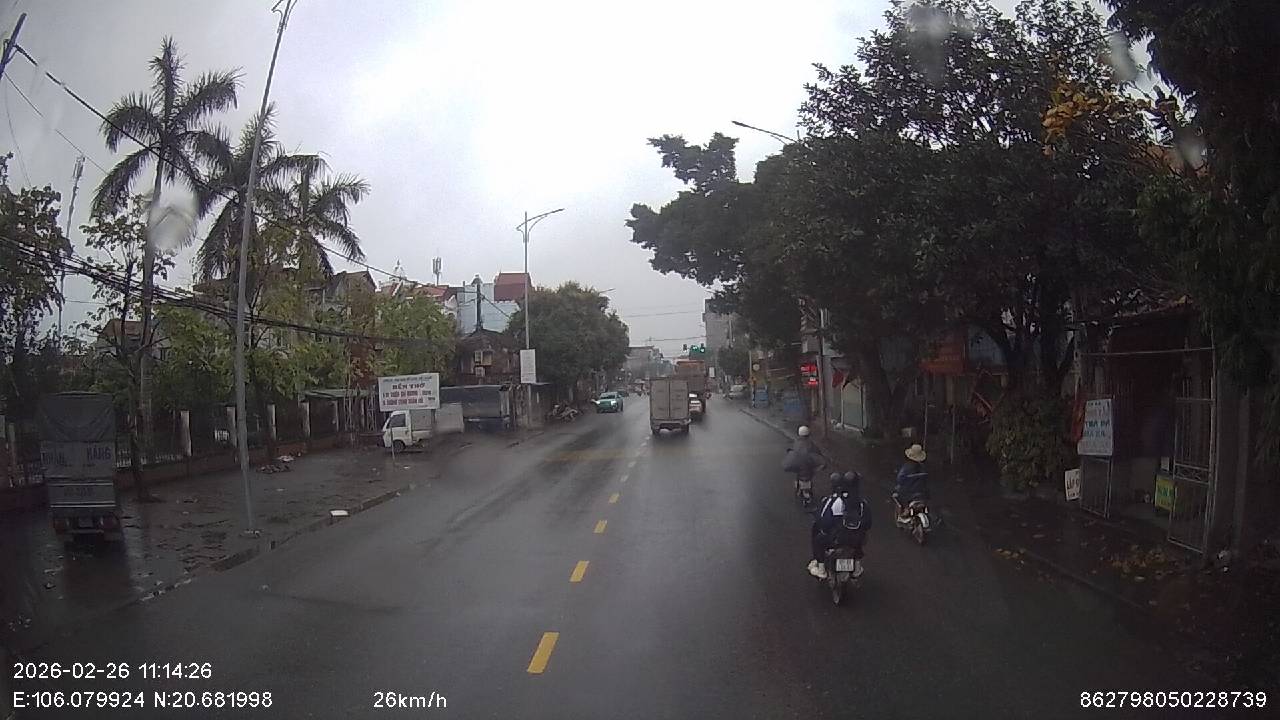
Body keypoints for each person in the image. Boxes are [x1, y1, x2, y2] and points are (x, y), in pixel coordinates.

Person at [807, 471, 871, 579]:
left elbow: (825, 521)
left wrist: (824, 530)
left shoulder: (834, 501)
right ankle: (857, 568)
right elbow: (868, 523)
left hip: (836, 539)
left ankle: (821, 569)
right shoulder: (862, 503)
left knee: (818, 540)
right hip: (856, 540)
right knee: (859, 538)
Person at [894, 443, 930, 522]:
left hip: (909, 493)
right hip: (922, 493)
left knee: (896, 496)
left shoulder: (906, 467)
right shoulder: (923, 467)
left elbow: (900, 479)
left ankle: (903, 514)